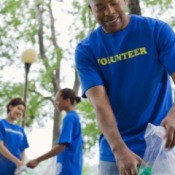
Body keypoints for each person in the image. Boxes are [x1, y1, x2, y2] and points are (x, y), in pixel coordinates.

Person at [75, 0, 175, 175]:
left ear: (125, 1)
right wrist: (119, 150)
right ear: (91, 9)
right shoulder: (86, 50)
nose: (109, 12)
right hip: (115, 152)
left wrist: (174, 115)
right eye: (100, 7)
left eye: (114, 3)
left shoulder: (156, 31)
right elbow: (100, 104)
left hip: (161, 146)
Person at [26, 88, 83, 175]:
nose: (55, 103)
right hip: (74, 168)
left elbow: (61, 147)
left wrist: (37, 160)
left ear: (67, 101)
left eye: (57, 100)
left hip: (67, 168)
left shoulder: (69, 118)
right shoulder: (76, 118)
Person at [0, 97, 29, 175]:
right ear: (10, 107)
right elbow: (0, 147)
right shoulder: (1, 124)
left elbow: (22, 150)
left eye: (22, 111)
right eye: (19, 108)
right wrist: (16, 161)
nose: (20, 112)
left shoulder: (20, 130)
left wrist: (21, 165)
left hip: (15, 171)